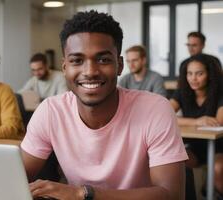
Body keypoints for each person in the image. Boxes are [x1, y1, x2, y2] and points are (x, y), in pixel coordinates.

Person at [21, 10, 188, 200]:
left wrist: (82, 193)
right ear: (65, 67)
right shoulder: (50, 112)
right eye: (77, 60)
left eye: (103, 59)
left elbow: (172, 195)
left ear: (120, 65)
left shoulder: (155, 109)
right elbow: (14, 179)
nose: (90, 71)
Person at [170, 54, 223, 199]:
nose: (193, 78)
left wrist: (182, 120)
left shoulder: (220, 91)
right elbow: (165, 114)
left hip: (219, 147)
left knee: (218, 170)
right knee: (176, 164)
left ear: (209, 75)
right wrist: (197, 121)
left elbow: (218, 121)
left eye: (199, 73)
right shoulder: (183, 91)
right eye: (189, 73)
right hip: (196, 147)